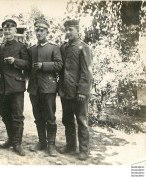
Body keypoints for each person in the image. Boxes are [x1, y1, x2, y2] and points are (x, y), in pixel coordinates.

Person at [58, 19, 93, 161]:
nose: (68, 32)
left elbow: (87, 72)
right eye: (66, 30)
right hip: (66, 91)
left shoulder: (84, 48)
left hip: (79, 93)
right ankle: (71, 145)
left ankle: (84, 150)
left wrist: (83, 91)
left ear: (78, 31)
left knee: (82, 121)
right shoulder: (63, 47)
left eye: (71, 30)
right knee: (67, 120)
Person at [28, 19, 63, 157]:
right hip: (34, 88)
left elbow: (59, 65)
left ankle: (51, 145)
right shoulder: (31, 49)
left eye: (42, 30)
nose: (39, 32)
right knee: (38, 116)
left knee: (50, 116)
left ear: (47, 32)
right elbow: (27, 67)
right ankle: (41, 142)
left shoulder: (54, 48)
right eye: (37, 30)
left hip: (48, 87)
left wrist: (44, 66)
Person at [0, 19, 29, 156]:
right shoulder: (0, 47)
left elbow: (27, 64)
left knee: (17, 116)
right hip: (2, 86)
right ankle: (10, 139)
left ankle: (17, 143)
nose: (7, 31)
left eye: (10, 29)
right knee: (5, 114)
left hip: (16, 86)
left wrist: (15, 61)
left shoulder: (21, 47)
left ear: (15, 31)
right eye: (5, 29)